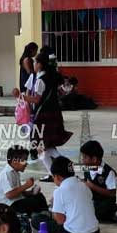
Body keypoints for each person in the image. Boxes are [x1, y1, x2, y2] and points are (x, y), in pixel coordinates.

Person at [25, 49, 73, 182]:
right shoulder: (52, 76)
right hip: (54, 114)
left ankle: (55, 174)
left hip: (43, 117)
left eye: (35, 62)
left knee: (42, 148)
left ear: (40, 64)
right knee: (49, 147)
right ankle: (62, 171)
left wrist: (22, 97)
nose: (33, 64)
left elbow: (36, 100)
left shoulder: (41, 80)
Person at [40, 156, 100, 233]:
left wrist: (54, 214)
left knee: (38, 220)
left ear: (57, 176)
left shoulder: (59, 191)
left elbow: (60, 221)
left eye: (53, 177)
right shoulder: (84, 186)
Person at [0, 145, 48, 214]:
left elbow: (18, 192)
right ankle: (43, 216)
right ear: (14, 161)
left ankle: (43, 215)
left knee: (38, 196)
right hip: (6, 206)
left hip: (14, 202)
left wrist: (31, 192)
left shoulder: (15, 172)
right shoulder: (7, 174)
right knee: (34, 201)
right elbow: (10, 195)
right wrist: (26, 185)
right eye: (24, 160)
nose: (26, 163)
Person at [79, 140, 117, 222]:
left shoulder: (109, 172)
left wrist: (92, 186)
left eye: (85, 157)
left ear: (94, 159)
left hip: (104, 204)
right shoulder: (87, 168)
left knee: (95, 213)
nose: (82, 160)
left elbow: (112, 193)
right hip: (92, 201)